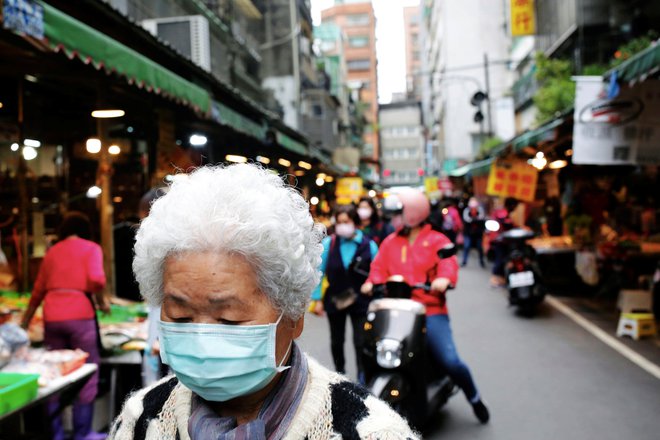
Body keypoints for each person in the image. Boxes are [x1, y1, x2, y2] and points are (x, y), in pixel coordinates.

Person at [109, 164, 418, 440]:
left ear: (294, 315)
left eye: (229, 318)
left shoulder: (371, 432)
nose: (202, 338)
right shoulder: (141, 421)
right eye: (180, 316)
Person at [361, 190, 490, 424]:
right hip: (395, 311)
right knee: (369, 356)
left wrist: (444, 279)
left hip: (430, 311)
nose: (393, 220)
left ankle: (474, 397)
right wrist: (371, 282)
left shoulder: (437, 240)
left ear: (412, 214)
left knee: (450, 361)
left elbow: (448, 263)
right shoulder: (390, 242)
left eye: (397, 215)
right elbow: (378, 268)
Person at [21, 212, 109, 440]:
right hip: (80, 315)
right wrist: (101, 301)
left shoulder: (52, 252)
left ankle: (56, 434)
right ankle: (83, 433)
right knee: (87, 370)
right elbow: (97, 279)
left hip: (52, 316)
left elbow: (38, 290)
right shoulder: (91, 248)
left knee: (54, 371)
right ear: (86, 230)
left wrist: (25, 320)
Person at [311, 205, 378, 384]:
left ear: (355, 223)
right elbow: (319, 272)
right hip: (335, 299)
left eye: (346, 222)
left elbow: (378, 270)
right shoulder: (328, 244)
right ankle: (340, 375)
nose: (342, 226)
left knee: (361, 342)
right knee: (336, 341)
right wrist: (317, 300)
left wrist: (372, 282)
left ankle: (363, 378)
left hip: (361, 301)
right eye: (339, 222)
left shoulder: (369, 245)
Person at [462, 197, 486, 268]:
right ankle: (464, 261)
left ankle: (482, 261)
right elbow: (466, 220)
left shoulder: (480, 211)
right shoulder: (466, 211)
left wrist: (475, 220)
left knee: (479, 247)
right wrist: (473, 220)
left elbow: (481, 219)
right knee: (466, 246)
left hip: (478, 233)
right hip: (468, 232)